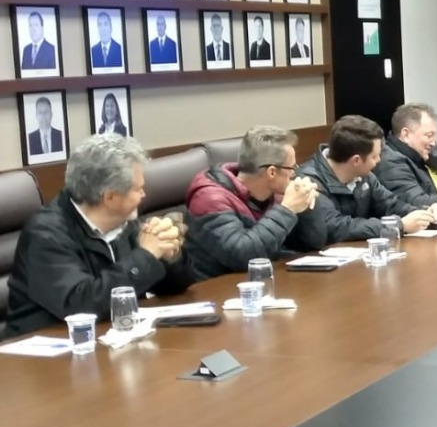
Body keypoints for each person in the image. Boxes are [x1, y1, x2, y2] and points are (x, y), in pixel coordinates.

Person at [4, 134, 195, 339]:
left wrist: (169, 254)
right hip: (47, 347)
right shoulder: (45, 234)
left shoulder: (124, 221)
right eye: (138, 189)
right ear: (110, 197)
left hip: (113, 337)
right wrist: (146, 256)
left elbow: (175, 286)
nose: (143, 195)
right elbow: (81, 306)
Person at [185, 126, 328, 281]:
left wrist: (306, 205)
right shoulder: (209, 199)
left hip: (265, 280)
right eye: (292, 167)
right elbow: (242, 256)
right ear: (272, 172)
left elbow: (314, 244)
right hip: (218, 287)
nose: (294, 173)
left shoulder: (275, 194)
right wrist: (287, 210)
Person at [295, 115, 437, 243]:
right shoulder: (309, 181)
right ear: (356, 160)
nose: (379, 160)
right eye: (375, 156)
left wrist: (424, 213)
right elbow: (335, 227)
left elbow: (390, 205)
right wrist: (398, 225)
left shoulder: (365, 176)